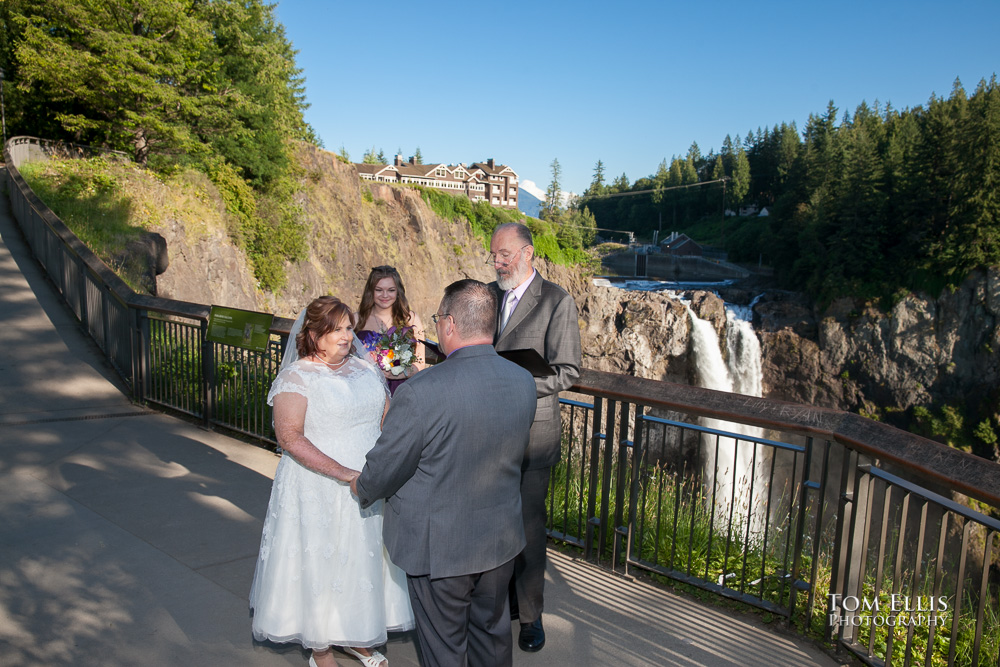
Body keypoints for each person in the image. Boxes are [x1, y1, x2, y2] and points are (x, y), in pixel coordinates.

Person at [352, 279, 537, 667]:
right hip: (500, 539)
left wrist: (362, 487)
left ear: (450, 324)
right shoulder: (523, 382)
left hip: (440, 547)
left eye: (438, 320)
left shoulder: (421, 391)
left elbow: (386, 468)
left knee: (444, 649)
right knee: (492, 636)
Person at [249, 296, 414, 667]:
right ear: (313, 334)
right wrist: (344, 474)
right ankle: (320, 647)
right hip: (318, 486)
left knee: (361, 560)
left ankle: (357, 634)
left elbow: (387, 418)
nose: (346, 335)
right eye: (336, 328)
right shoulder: (297, 376)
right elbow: (290, 437)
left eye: (348, 327)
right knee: (321, 561)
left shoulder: (365, 368)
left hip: (370, 483)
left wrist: (388, 465)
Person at [487, 222, 582, 653]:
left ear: (528, 253)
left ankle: (530, 616)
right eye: (494, 254)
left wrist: (513, 382)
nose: (498, 261)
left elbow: (568, 371)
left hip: (533, 434)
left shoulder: (557, 300)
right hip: (487, 431)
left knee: (528, 528)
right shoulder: (486, 296)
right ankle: (500, 603)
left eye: (505, 254)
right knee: (491, 523)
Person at [357, 266, 426, 395]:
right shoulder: (357, 319)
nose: (385, 295)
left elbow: (419, 363)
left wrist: (397, 374)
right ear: (370, 291)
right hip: (366, 390)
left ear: (398, 292)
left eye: (391, 290)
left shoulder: (412, 319)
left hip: (401, 391)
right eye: (378, 290)